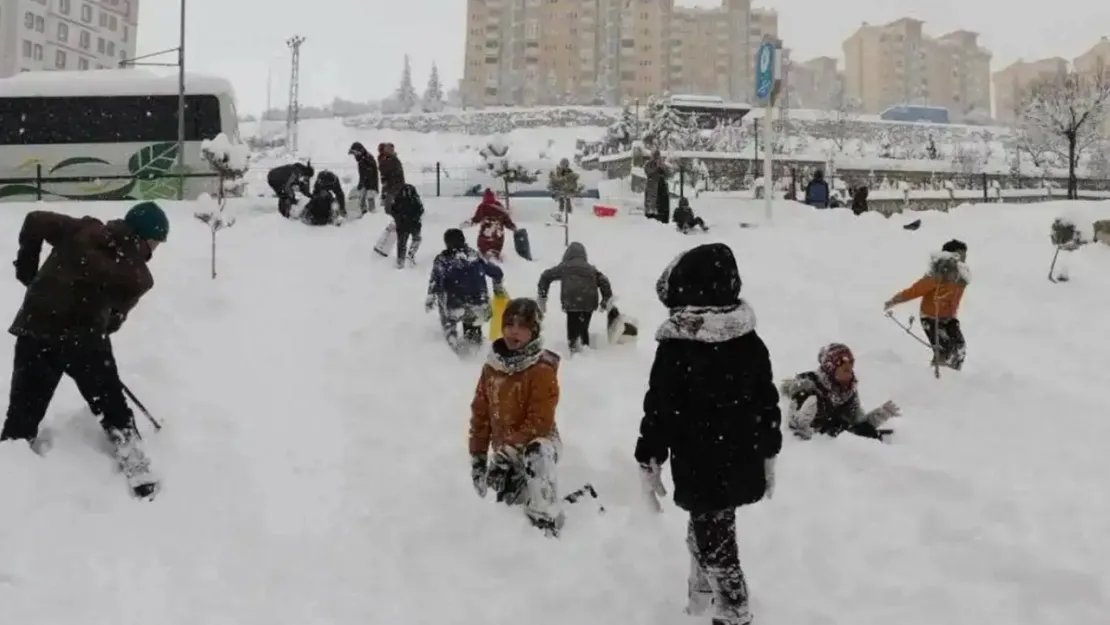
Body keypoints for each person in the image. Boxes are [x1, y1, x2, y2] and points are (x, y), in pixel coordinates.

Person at [635, 242, 781, 625]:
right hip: (740, 455)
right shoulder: (749, 342)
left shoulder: (677, 348)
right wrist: (768, 449)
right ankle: (701, 598)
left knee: (716, 542)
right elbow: (767, 402)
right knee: (713, 525)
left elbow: (659, 407)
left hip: (699, 460)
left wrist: (649, 453)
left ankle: (733, 611)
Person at [2, 202, 169, 497]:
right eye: (156, 242)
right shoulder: (139, 276)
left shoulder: (81, 229)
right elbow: (114, 321)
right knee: (111, 405)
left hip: (36, 329)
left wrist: (28, 269)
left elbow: (34, 220)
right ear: (145, 238)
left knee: (23, 414)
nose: (155, 249)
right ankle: (135, 464)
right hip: (84, 342)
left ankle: (10, 468)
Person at [469, 298, 565, 537]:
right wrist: (479, 458)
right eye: (509, 324)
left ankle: (547, 519)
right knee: (509, 509)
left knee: (537, 453)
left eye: (522, 326)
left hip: (540, 444)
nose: (514, 331)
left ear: (533, 332)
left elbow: (540, 421)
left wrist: (506, 455)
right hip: (504, 453)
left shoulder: (541, 369)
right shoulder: (492, 368)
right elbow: (480, 415)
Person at [781, 343, 901, 442]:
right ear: (831, 369)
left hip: (835, 445)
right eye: (845, 370)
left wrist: (878, 416)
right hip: (812, 448)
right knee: (837, 424)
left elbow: (857, 425)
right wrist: (799, 424)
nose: (850, 374)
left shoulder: (847, 392)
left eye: (851, 368)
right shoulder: (808, 386)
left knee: (842, 424)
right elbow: (785, 414)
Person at [884, 239, 970, 370]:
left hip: (948, 317)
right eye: (959, 255)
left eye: (964, 256)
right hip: (931, 317)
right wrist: (895, 300)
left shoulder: (961, 276)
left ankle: (953, 376)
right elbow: (915, 290)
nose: (963, 259)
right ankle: (936, 377)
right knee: (943, 350)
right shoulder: (938, 274)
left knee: (959, 347)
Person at [426, 228, 505, 354]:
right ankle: (474, 346)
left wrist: (430, 298)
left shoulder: (442, 260)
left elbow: (435, 282)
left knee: (444, 304)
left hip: (455, 306)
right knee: (473, 323)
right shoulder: (475, 256)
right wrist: (498, 288)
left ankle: (451, 338)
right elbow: (497, 272)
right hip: (479, 305)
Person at [536, 242, 613, 353]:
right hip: (589, 301)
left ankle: (575, 350)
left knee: (573, 326)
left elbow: (546, 276)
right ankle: (584, 346)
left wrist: (542, 294)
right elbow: (604, 281)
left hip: (572, 300)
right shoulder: (591, 268)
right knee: (583, 326)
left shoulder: (565, 266)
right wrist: (606, 299)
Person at [463, 188, 517, 261]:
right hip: (498, 236)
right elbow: (507, 221)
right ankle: (496, 261)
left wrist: (466, 223)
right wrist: (513, 227)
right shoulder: (499, 207)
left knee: (484, 254)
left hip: (485, 235)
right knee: (495, 252)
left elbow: (476, 219)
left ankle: (487, 263)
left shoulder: (482, 207)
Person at [391, 184, 424, 268]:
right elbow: (421, 210)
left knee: (402, 243)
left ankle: (400, 260)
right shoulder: (415, 199)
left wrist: (398, 218)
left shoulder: (398, 200)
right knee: (417, 239)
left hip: (402, 225)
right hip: (414, 224)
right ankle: (411, 253)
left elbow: (393, 211)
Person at [348, 141, 379, 214]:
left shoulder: (366, 159)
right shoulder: (362, 159)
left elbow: (369, 174)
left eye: (355, 153)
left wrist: (368, 186)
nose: (354, 155)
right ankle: (365, 214)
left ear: (359, 151)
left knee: (369, 198)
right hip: (366, 183)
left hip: (370, 184)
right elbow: (363, 174)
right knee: (362, 200)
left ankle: (371, 216)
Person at [377, 142, 405, 214]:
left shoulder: (391, 160)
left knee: (390, 205)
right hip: (392, 185)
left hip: (394, 186)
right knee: (389, 204)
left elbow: (384, 170)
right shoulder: (388, 159)